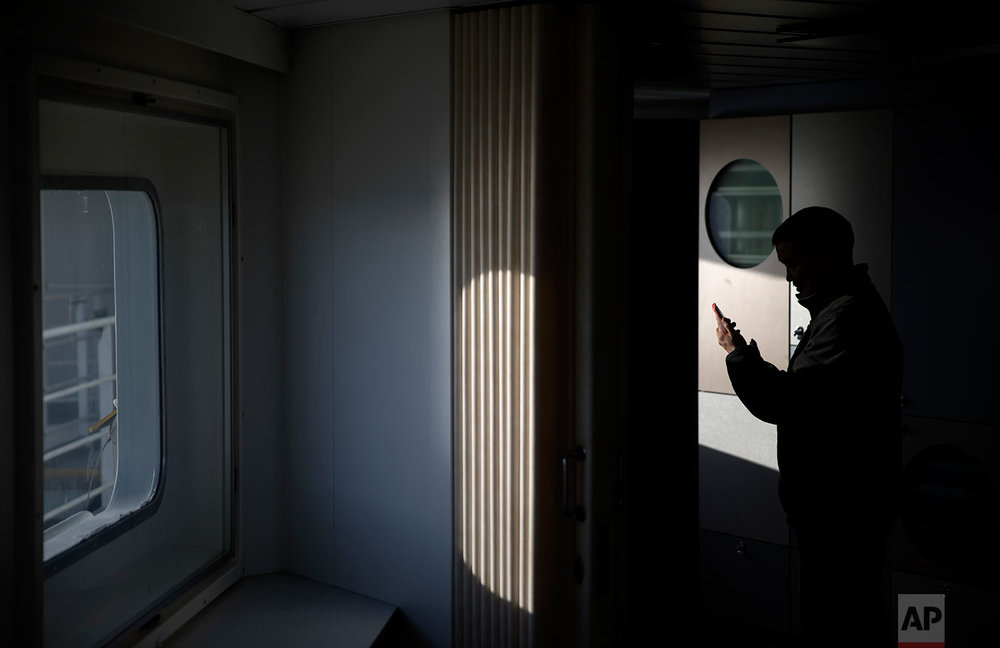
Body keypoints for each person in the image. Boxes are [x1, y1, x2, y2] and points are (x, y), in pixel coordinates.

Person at [714, 206, 903, 648]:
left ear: (829, 255)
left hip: (840, 512)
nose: (788, 278)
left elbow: (789, 401)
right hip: (842, 508)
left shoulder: (847, 318)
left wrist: (736, 354)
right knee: (849, 614)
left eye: (794, 264)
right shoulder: (841, 310)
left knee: (837, 622)